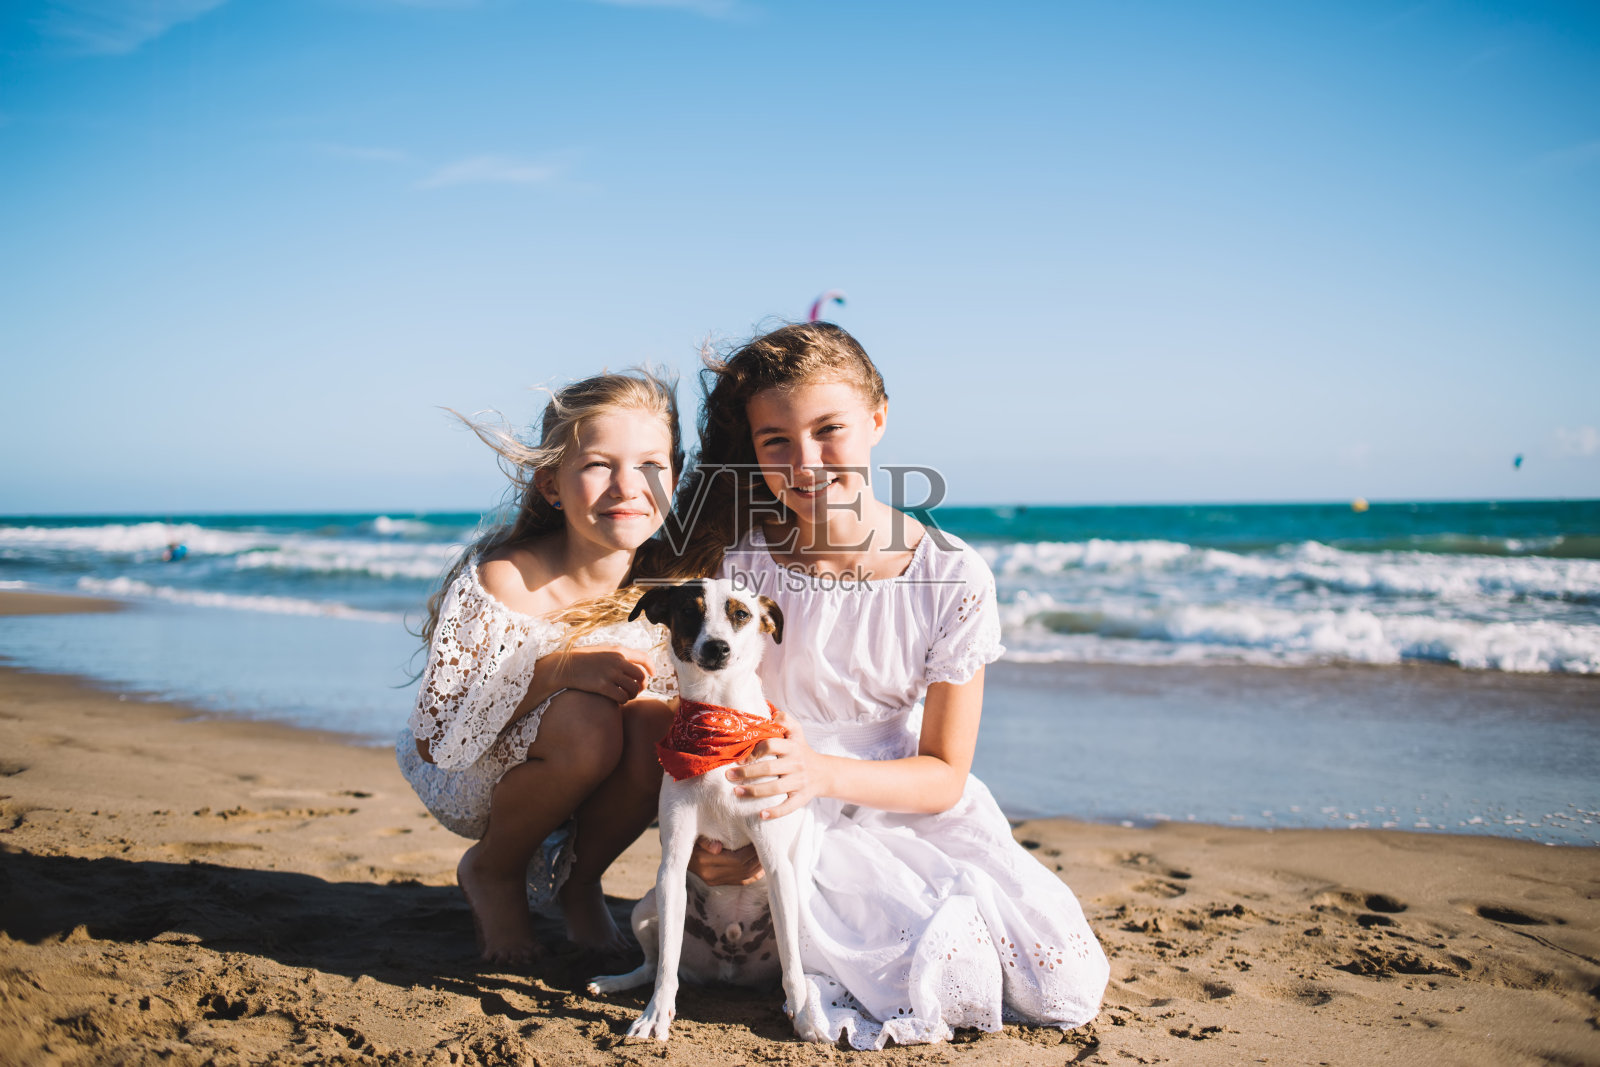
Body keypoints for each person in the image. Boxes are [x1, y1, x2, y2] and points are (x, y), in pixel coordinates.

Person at [672, 322, 1109, 1048]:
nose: (805, 460)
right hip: (770, 795)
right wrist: (742, 832)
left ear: (877, 417)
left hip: (895, 798)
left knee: (1031, 970)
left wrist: (821, 775)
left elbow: (943, 773)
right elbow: (713, 718)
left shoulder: (952, 576)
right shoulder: (743, 569)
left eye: (829, 428)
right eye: (775, 439)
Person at [397, 370, 687, 965]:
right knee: (586, 717)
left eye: (651, 466)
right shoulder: (510, 579)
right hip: (474, 770)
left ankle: (580, 882)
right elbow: (435, 736)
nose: (628, 486)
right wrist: (558, 670)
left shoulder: (674, 587)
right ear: (552, 485)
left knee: (658, 721)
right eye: (599, 465)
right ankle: (495, 871)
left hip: (591, 774)